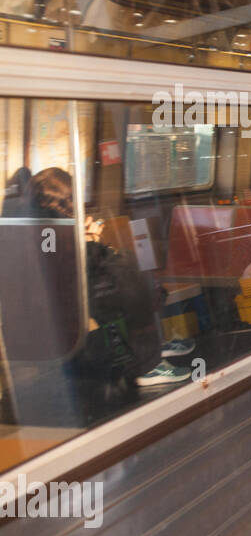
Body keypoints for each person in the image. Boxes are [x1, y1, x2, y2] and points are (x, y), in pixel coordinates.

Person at [26, 168, 189, 402]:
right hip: (68, 303)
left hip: (66, 295)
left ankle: (151, 348)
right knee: (131, 278)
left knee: (128, 269)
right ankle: (147, 365)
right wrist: (91, 241)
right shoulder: (49, 233)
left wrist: (85, 240)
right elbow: (67, 268)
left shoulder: (37, 226)